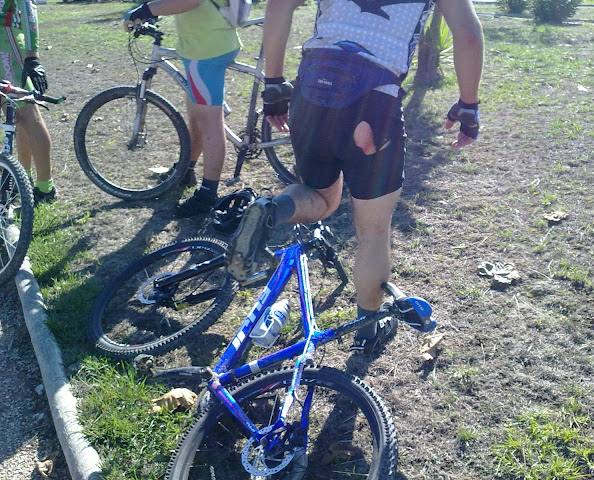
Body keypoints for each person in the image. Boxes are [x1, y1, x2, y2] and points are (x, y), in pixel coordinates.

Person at [226, 0, 484, 354]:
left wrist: (272, 82)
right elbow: (467, 35)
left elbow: (280, 3)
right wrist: (468, 104)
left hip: (313, 86)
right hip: (374, 99)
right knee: (373, 232)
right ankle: (366, 332)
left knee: (320, 197)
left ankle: (272, 209)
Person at [124, 0, 241, 218]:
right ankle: (186, 169)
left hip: (206, 48)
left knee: (209, 123)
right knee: (197, 117)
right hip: (206, 42)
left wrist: (146, 9)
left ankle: (207, 195)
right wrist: (154, 9)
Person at [0, 0, 56, 205]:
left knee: (28, 116)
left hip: (7, 42)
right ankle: (22, 177)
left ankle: (45, 188)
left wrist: (32, 57)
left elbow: (28, 8)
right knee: (15, 118)